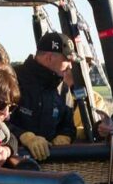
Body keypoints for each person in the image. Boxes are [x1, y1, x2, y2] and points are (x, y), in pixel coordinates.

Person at [10, 32, 77, 160]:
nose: (70, 66)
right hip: (13, 164)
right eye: (67, 60)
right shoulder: (12, 79)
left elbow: (68, 126)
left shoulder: (63, 89)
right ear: (49, 58)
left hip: (50, 165)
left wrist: (65, 136)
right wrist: (24, 136)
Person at [60, 65, 113, 141]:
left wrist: (103, 128)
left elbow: (99, 128)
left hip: (81, 148)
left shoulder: (95, 99)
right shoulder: (51, 95)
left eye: (88, 66)